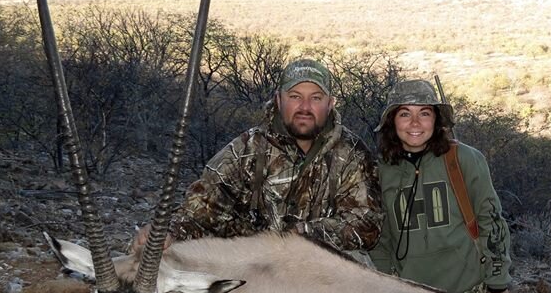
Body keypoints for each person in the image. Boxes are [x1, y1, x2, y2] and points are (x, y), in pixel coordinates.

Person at [135, 58, 382, 255]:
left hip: (320, 273)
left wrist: (303, 235)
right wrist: (170, 232)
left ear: (330, 104)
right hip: (253, 273)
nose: (305, 107)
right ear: (278, 100)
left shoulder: (352, 154)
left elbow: (366, 225)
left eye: (315, 98)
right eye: (295, 97)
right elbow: (200, 212)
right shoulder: (246, 149)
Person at [369, 79, 513, 293]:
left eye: (424, 113)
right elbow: (381, 239)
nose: (415, 123)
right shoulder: (379, 172)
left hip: (468, 292)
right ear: (392, 122)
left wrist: (498, 284)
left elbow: (492, 221)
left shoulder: (464, 159)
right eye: (405, 114)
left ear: (436, 120)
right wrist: (385, 289)